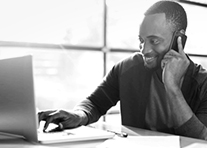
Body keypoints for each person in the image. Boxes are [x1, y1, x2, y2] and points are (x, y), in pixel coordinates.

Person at [38, 0, 207, 140]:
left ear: (179, 39)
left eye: (154, 41)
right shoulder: (127, 68)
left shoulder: (204, 82)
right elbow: (95, 103)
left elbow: (200, 139)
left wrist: (173, 88)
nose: (144, 49)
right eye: (141, 40)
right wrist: (79, 116)